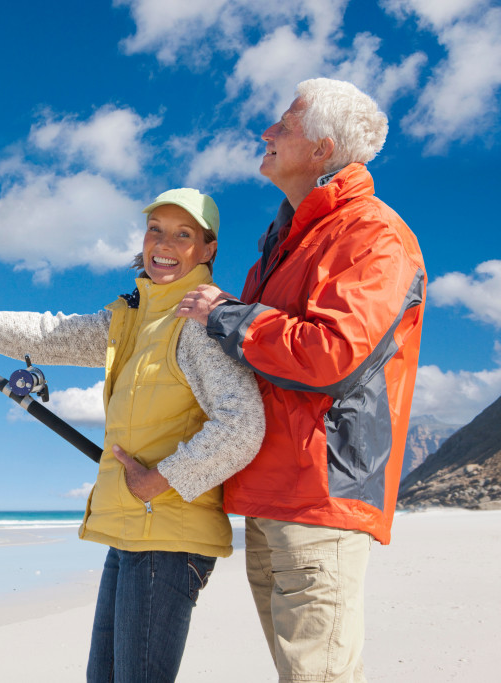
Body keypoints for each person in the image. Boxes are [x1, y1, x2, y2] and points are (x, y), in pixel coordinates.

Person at [0, 188, 265, 682]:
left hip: (168, 537)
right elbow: (48, 334)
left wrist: (161, 480)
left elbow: (243, 424)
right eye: (156, 229)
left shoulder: (200, 323)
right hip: (131, 529)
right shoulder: (134, 317)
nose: (165, 244)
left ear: (208, 249)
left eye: (183, 234)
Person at [178, 78, 425, 682]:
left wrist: (225, 314)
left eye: (284, 124)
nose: (266, 131)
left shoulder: (372, 233)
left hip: (319, 496)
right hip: (272, 493)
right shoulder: (285, 242)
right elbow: (257, 359)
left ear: (322, 149)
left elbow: (329, 354)